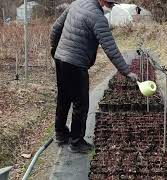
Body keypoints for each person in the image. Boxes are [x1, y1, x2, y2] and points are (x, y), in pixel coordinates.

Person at [50, 0, 138, 153]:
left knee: (63, 97)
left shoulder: (77, 3)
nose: (111, 6)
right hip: (76, 63)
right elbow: (111, 48)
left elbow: (56, 28)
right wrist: (126, 71)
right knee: (81, 103)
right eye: (110, 3)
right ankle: (76, 142)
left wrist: (55, 49)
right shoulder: (98, 18)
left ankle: (61, 134)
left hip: (61, 59)